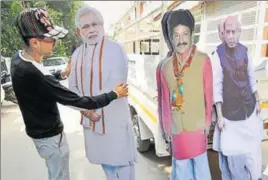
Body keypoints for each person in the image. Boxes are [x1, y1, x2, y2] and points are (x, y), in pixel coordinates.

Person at [11, 8, 128, 180]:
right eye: (51, 39)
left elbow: (39, 84)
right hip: (49, 137)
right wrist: (114, 94)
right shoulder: (37, 74)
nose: (55, 43)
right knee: (59, 175)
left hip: (38, 132)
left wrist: (60, 74)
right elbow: (79, 101)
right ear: (35, 42)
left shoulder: (19, 59)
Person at [68, 6, 136, 180]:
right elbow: (72, 87)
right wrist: (86, 111)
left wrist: (93, 110)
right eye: (86, 26)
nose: (91, 30)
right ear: (78, 31)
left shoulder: (115, 49)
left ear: (102, 25)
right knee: (107, 167)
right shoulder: (76, 55)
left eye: (95, 24)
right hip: (92, 120)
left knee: (123, 166)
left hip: (113, 120)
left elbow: (115, 86)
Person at [157, 9, 213, 180]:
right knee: (180, 168)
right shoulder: (165, 67)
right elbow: (164, 102)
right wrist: (166, 128)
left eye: (185, 34)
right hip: (177, 128)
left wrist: (208, 121)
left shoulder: (203, 60)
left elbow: (209, 95)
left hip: (197, 125)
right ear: (171, 38)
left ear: (192, 34)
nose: (181, 40)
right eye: (176, 35)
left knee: (201, 167)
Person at [211, 15, 263, 180]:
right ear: (223, 34)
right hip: (230, 117)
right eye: (228, 32)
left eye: (234, 32)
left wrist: (257, 98)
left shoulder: (245, 51)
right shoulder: (217, 55)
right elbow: (217, 87)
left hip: (249, 111)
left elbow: (251, 77)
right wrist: (219, 115)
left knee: (253, 155)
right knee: (233, 160)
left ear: (239, 32)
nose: (231, 36)